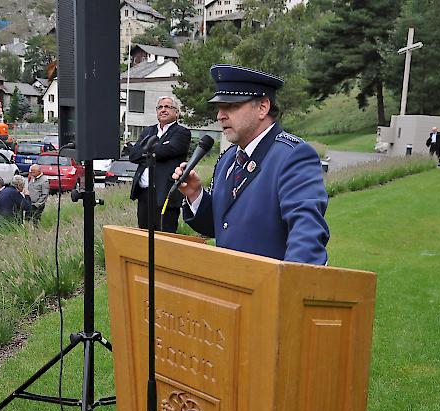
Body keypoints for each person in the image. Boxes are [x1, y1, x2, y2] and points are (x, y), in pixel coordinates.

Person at [172, 64, 329, 265]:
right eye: (219, 107)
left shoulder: (293, 156)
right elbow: (224, 226)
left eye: (231, 105)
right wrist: (196, 195)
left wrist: (288, 288)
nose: (220, 115)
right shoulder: (228, 159)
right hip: (229, 288)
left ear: (263, 107)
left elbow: (307, 235)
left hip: (268, 291)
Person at [128, 96, 191, 233]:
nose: (163, 110)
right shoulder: (148, 131)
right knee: (144, 237)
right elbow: (133, 155)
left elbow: (167, 151)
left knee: (164, 239)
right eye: (160, 107)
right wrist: (154, 150)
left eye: (168, 107)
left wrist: (145, 150)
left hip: (165, 193)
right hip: (144, 194)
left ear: (176, 112)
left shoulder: (182, 133)